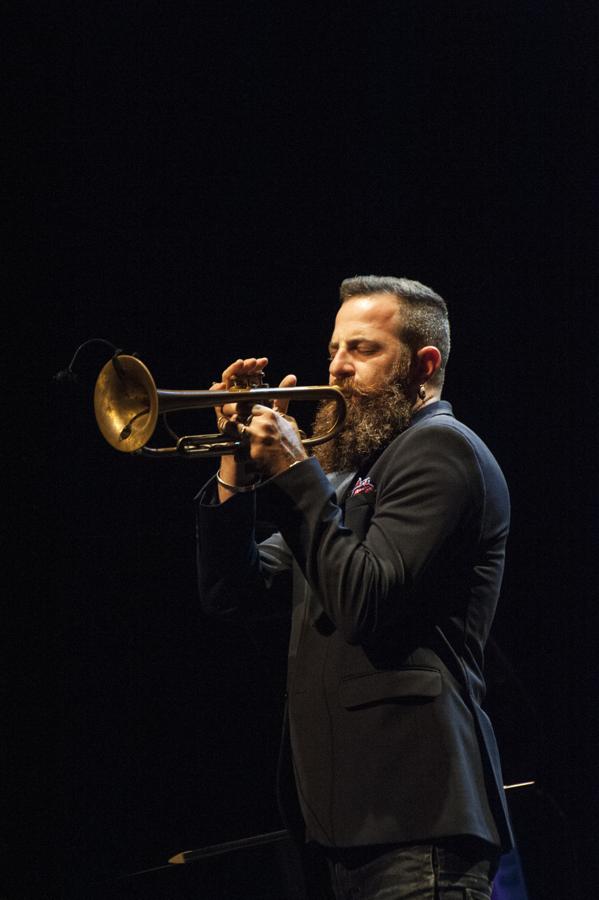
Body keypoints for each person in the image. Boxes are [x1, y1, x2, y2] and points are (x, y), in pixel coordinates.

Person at [195, 276, 513, 899]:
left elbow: (366, 603)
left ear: (424, 365)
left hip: (417, 815)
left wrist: (294, 473)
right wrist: (234, 461)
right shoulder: (345, 480)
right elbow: (235, 593)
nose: (337, 368)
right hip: (343, 827)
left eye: (363, 350)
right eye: (334, 349)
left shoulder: (441, 451)